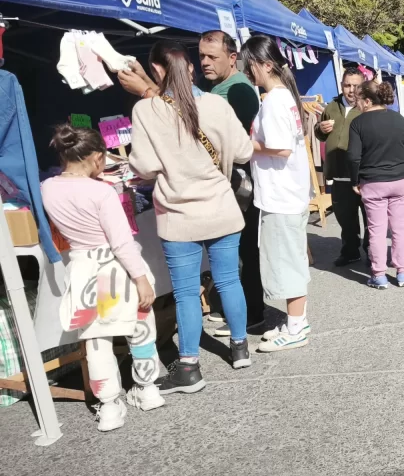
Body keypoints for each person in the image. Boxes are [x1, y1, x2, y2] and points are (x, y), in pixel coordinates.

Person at [118, 40, 254, 393]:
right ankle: (240, 348)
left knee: (186, 294)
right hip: (222, 208)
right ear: (190, 67)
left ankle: (189, 367)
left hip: (178, 215)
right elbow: (243, 152)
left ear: (156, 70)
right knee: (229, 281)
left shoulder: (145, 110)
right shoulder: (216, 104)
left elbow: (144, 166)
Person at [42, 125, 164, 431]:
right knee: (140, 329)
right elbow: (121, 243)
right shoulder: (102, 192)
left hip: (84, 270)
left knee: (96, 340)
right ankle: (147, 389)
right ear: (97, 157)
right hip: (117, 270)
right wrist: (141, 278)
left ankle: (109, 406)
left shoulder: (47, 188)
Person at [238, 35, 314, 352]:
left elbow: (280, 148)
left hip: (281, 195)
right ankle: (298, 321)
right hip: (287, 193)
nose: (247, 71)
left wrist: (246, 145)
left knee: (287, 263)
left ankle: (296, 328)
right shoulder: (283, 97)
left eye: (249, 65)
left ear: (266, 65)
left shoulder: (274, 101)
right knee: (290, 260)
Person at [198, 30, 266, 330]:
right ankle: (233, 308)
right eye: (202, 56)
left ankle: (252, 313)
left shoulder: (239, 90)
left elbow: (239, 142)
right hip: (222, 181)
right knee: (231, 248)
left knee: (243, 248)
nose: (205, 62)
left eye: (212, 57)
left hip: (240, 182)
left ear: (232, 57)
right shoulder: (212, 87)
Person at [347, 81, 404, 289]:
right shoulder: (398, 118)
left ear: (368, 101)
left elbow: (353, 157)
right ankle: (403, 272)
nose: (357, 104)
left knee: (376, 230)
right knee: (399, 228)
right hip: (400, 180)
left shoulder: (358, 123)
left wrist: (355, 181)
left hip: (372, 181)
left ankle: (379, 274)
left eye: (358, 100)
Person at [315, 67, 368, 266]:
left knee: (370, 217)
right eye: (347, 85)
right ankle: (350, 251)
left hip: (363, 175)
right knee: (345, 218)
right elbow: (319, 133)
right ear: (341, 85)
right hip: (338, 174)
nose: (351, 90)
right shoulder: (331, 107)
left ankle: (372, 252)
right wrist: (320, 129)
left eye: (356, 86)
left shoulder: (366, 107)